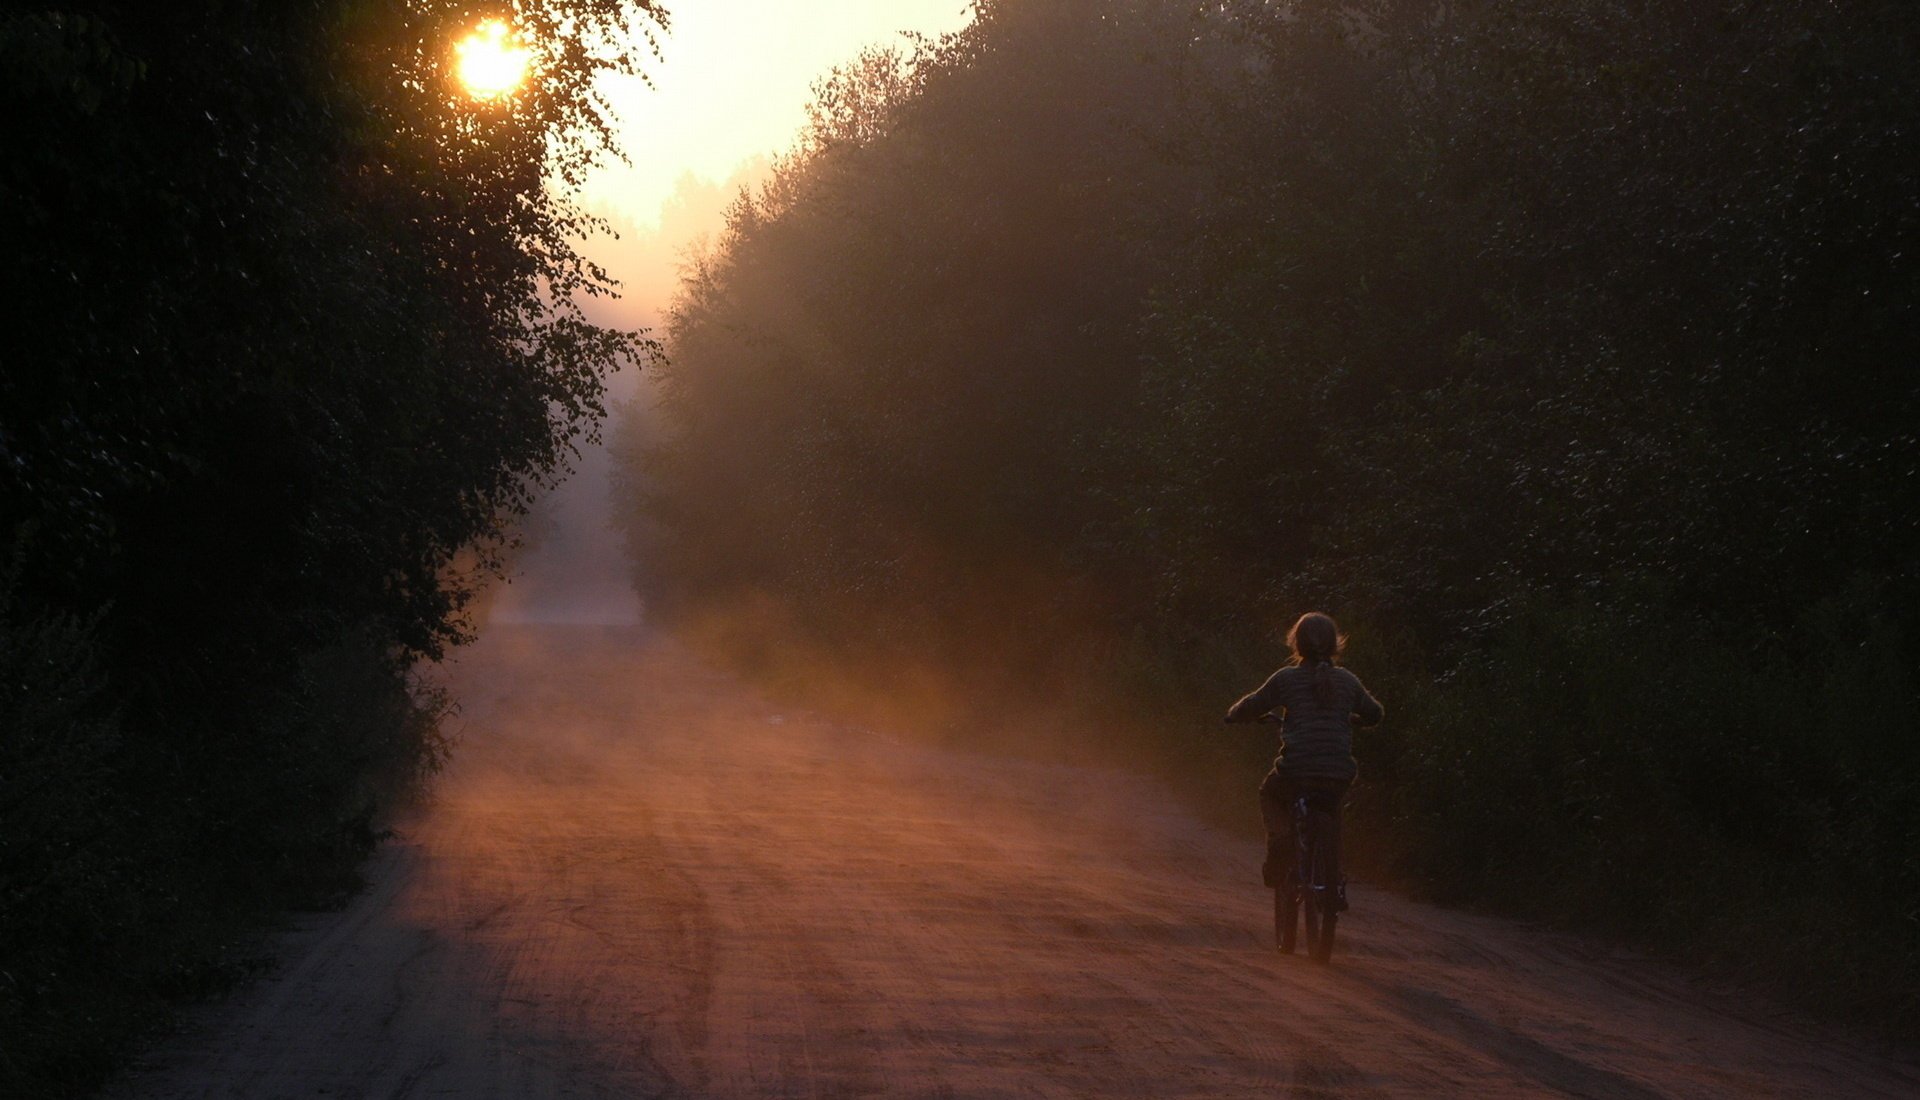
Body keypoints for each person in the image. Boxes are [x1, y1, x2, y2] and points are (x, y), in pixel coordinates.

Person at [1224, 611, 1383, 907]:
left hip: (1296, 770)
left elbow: (1253, 704)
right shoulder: (1347, 681)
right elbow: (1375, 713)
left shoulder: (1286, 679)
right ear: (1335, 644)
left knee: (1270, 793)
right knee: (1333, 806)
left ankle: (1281, 840)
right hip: (1339, 771)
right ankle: (1333, 880)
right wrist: (1354, 719)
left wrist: (1233, 715)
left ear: (1296, 644)